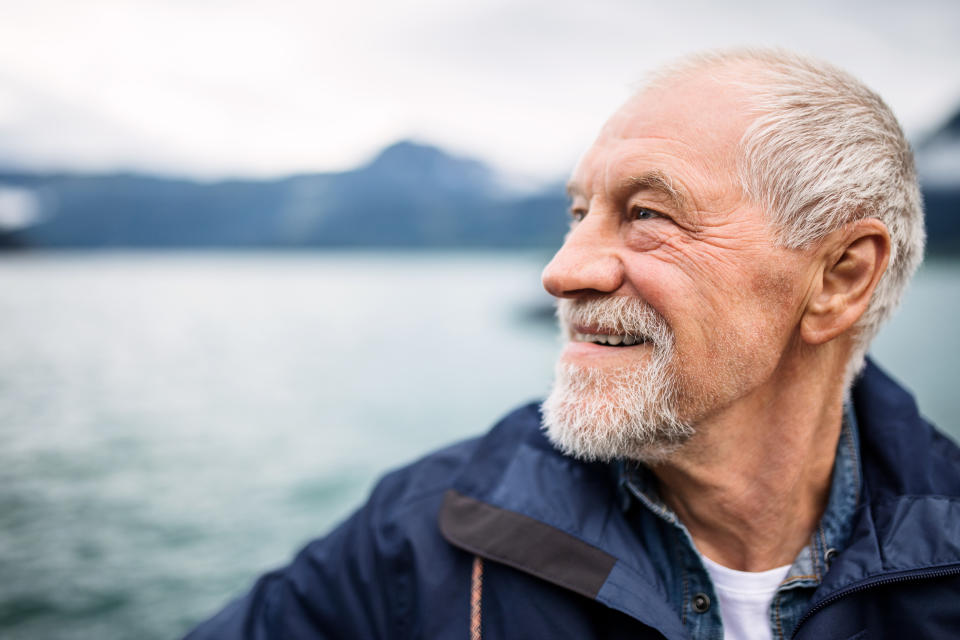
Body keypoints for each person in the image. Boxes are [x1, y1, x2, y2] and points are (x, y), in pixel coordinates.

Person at [186, 49, 960, 640]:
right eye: (579, 212)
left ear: (839, 277)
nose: (561, 272)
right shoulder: (425, 533)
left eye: (648, 213)